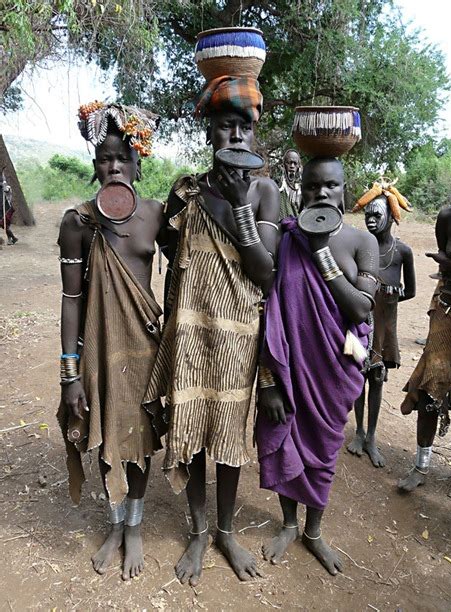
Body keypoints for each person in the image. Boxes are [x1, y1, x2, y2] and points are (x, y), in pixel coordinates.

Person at [143, 75, 280, 585]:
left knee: (226, 435)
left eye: (245, 128)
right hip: (191, 332)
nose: (237, 137)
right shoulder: (187, 193)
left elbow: (265, 271)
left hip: (239, 338)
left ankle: (226, 530)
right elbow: (164, 248)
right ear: (210, 134)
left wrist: (239, 205)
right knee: (192, 431)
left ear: (256, 135)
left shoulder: (264, 192)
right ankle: (198, 531)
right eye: (226, 128)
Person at [255, 157, 378, 575]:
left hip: (333, 368)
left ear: (344, 190)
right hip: (289, 367)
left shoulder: (363, 242)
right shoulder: (286, 238)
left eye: (330, 186)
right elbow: (267, 308)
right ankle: (289, 523)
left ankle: (313, 531)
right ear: (300, 189)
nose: (320, 194)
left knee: (323, 449)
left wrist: (322, 250)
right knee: (285, 437)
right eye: (311, 187)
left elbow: (361, 308)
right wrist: (268, 380)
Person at [56, 102, 164, 580]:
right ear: (93, 163)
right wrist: (69, 373)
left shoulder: (155, 216)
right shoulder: (77, 222)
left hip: (144, 347)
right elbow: (72, 300)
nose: (114, 165)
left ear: (140, 163)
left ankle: (135, 524)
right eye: (103, 156)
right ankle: (115, 525)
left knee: (139, 437)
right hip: (97, 349)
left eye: (123, 156)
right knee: (102, 433)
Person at [347, 193, 415, 467]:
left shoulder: (402, 251)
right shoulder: (360, 245)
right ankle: (358, 432)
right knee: (357, 375)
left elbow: (410, 291)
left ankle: (372, 436)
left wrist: (387, 296)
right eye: (368, 215)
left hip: (385, 325)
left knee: (376, 379)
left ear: (391, 218)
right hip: (359, 320)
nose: (371, 220)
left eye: (377, 215)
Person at [398, 205, 451, 492]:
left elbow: (447, 262)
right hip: (447, 307)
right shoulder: (448, 217)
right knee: (431, 383)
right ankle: (421, 465)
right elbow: (441, 268)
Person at [278, 149, 302, 220]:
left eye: (295, 163)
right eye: (289, 163)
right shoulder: (278, 185)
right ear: (284, 164)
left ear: (298, 166)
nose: (292, 166)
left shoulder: (301, 188)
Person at [0, 174, 18, 244]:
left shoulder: (7, 188)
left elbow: (7, 190)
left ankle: (12, 238)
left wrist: (3, 185)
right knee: (4, 225)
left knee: (3, 224)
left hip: (7, 209)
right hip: (1, 209)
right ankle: (11, 239)